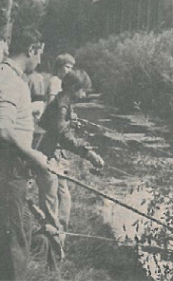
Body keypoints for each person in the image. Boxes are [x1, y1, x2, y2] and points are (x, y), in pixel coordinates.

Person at [0, 27, 48, 280]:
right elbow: (3, 131)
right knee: (15, 236)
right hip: (2, 165)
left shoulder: (3, 74)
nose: (39, 61)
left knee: (17, 230)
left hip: (4, 164)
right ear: (32, 49)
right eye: (40, 54)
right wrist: (34, 156)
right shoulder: (9, 80)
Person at [36, 70, 104, 246]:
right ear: (74, 88)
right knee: (51, 200)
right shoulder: (61, 106)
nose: (84, 95)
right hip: (46, 156)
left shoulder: (64, 103)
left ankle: (60, 235)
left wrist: (71, 123)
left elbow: (62, 130)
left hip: (54, 155)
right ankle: (52, 241)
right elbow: (63, 137)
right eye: (83, 91)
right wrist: (89, 154)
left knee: (64, 197)